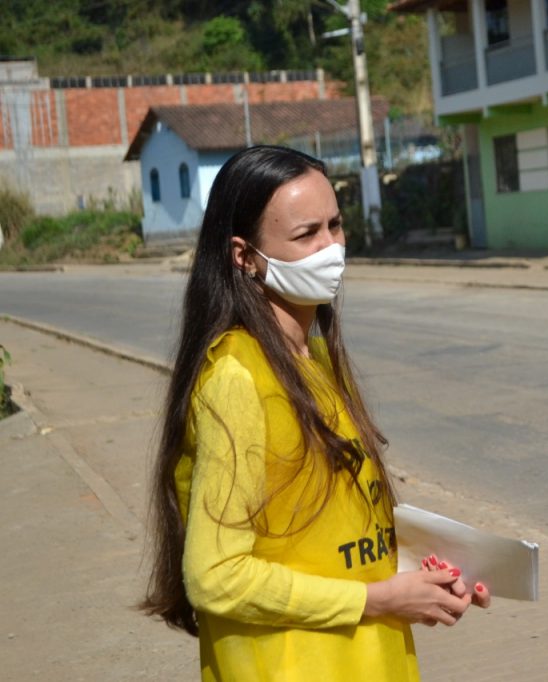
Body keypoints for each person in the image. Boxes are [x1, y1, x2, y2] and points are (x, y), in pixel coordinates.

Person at [141, 145, 490, 681]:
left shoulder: (317, 358)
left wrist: (427, 576)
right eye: (307, 234)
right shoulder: (236, 378)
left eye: (335, 225)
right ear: (244, 255)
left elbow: (332, 535)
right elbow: (215, 576)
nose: (332, 248)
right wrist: (375, 599)